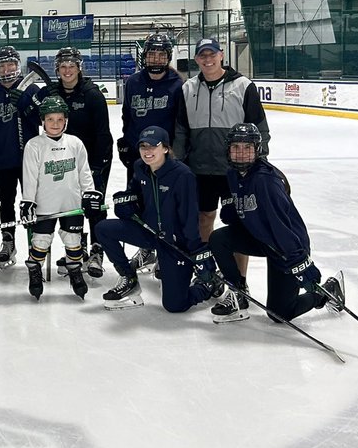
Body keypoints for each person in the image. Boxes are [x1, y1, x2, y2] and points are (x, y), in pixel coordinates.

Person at [208, 123, 345, 324]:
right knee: (219, 239)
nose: (241, 153)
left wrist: (300, 263)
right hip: (261, 239)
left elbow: (281, 227)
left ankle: (327, 292)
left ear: (257, 150)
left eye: (247, 148)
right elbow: (237, 215)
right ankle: (238, 293)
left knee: (279, 313)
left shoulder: (266, 181)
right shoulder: (233, 174)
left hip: (285, 247)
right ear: (228, 150)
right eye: (236, 147)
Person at [94, 126, 224, 313]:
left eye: (153, 146)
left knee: (175, 305)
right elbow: (134, 195)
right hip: (149, 233)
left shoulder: (182, 175)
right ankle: (128, 278)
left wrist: (196, 251)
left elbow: (189, 218)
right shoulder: (139, 167)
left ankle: (207, 286)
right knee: (104, 228)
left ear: (165, 148)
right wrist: (125, 203)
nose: (147, 151)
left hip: (174, 243)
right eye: (143, 146)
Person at [172, 37, 270, 281]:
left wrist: (259, 164)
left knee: (237, 225)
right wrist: (177, 162)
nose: (208, 59)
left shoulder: (243, 86)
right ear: (196, 59)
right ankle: (206, 271)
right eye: (202, 55)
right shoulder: (188, 88)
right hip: (199, 169)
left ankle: (239, 280)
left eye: (212, 54)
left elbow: (260, 128)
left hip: (234, 170)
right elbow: (181, 130)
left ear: (222, 55)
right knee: (203, 218)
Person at [28, 47, 113, 279]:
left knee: (93, 207)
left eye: (72, 66)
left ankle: (96, 251)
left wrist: (98, 166)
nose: (67, 70)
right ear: (57, 69)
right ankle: (78, 248)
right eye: (63, 66)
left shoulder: (92, 95)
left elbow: (104, 134)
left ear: (79, 68)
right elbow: (32, 112)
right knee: (70, 206)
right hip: (64, 160)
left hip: (93, 159)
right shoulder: (52, 92)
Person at [19, 96, 100, 302]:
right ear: (42, 121)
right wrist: (28, 201)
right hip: (45, 205)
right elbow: (29, 177)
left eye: (59, 119)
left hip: (71, 205)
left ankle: (74, 271)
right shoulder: (34, 145)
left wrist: (89, 193)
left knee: (74, 243)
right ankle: (34, 270)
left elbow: (84, 172)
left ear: (66, 120)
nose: (55, 124)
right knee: (41, 242)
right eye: (50, 119)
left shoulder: (75, 143)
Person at [0, 45, 37, 269]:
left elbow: (43, 119)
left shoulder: (30, 90)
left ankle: (35, 243)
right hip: (4, 161)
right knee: (5, 202)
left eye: (10, 65)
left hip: (29, 160)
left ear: (17, 66)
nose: (6, 70)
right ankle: (8, 240)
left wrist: (26, 103)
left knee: (31, 203)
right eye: (1, 66)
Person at [118, 33, 183, 186]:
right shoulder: (133, 82)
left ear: (168, 57)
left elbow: (180, 123)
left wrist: (176, 152)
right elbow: (127, 116)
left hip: (165, 155)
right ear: (144, 56)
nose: (156, 59)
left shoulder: (177, 84)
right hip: (138, 154)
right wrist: (127, 142)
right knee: (136, 202)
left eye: (161, 54)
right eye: (152, 54)